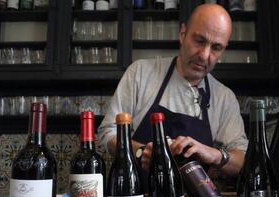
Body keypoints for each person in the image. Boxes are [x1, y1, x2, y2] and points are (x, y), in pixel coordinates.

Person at [98, 3, 248, 176]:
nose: (205, 55)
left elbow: (243, 160)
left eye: (216, 48)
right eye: (199, 41)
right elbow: (107, 134)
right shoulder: (140, 73)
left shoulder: (225, 98)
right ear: (183, 34)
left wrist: (214, 154)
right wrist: (141, 152)